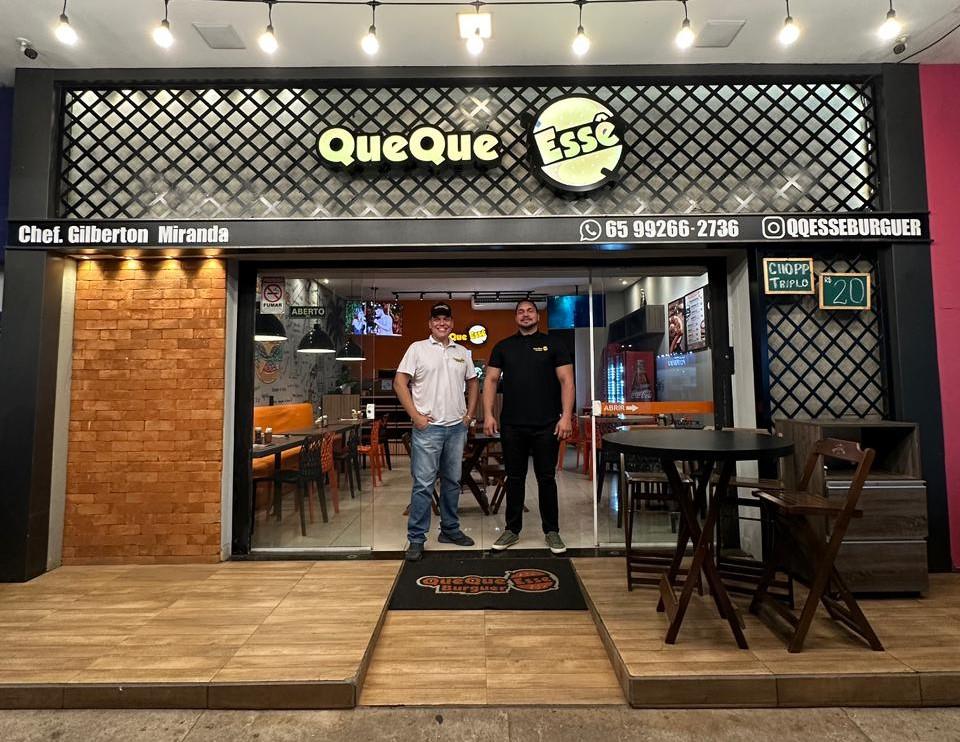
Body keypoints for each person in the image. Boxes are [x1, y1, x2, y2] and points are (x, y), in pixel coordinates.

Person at [483, 300, 575, 554]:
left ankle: (552, 531)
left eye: (530, 311)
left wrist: (566, 417)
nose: (525, 315)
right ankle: (512, 530)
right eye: (521, 312)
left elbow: (567, 381)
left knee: (546, 478)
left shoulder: (555, 344)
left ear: (537, 315)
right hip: (512, 425)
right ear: (516, 317)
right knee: (514, 479)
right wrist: (488, 415)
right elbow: (490, 380)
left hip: (547, 424)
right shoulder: (503, 346)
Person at [395, 302, 479, 561]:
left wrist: (468, 416)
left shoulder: (462, 352)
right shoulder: (417, 349)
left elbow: (473, 382)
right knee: (423, 485)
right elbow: (399, 383)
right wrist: (416, 417)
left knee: (453, 482)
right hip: (428, 429)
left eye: (446, 319)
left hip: (456, 428)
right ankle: (416, 539)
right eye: (437, 319)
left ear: (452, 324)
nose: (442, 323)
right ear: (430, 324)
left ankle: (450, 530)